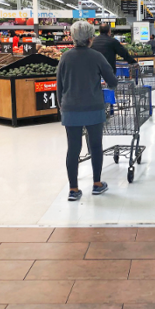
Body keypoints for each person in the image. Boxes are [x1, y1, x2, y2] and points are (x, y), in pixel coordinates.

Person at [56, 21, 118, 202]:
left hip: (70, 108)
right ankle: (97, 184)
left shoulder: (65, 57)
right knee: (96, 146)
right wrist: (108, 84)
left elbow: (59, 85)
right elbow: (112, 81)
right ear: (91, 38)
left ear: (73, 38)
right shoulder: (97, 57)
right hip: (93, 107)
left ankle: (73, 189)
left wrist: (62, 105)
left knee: (73, 149)